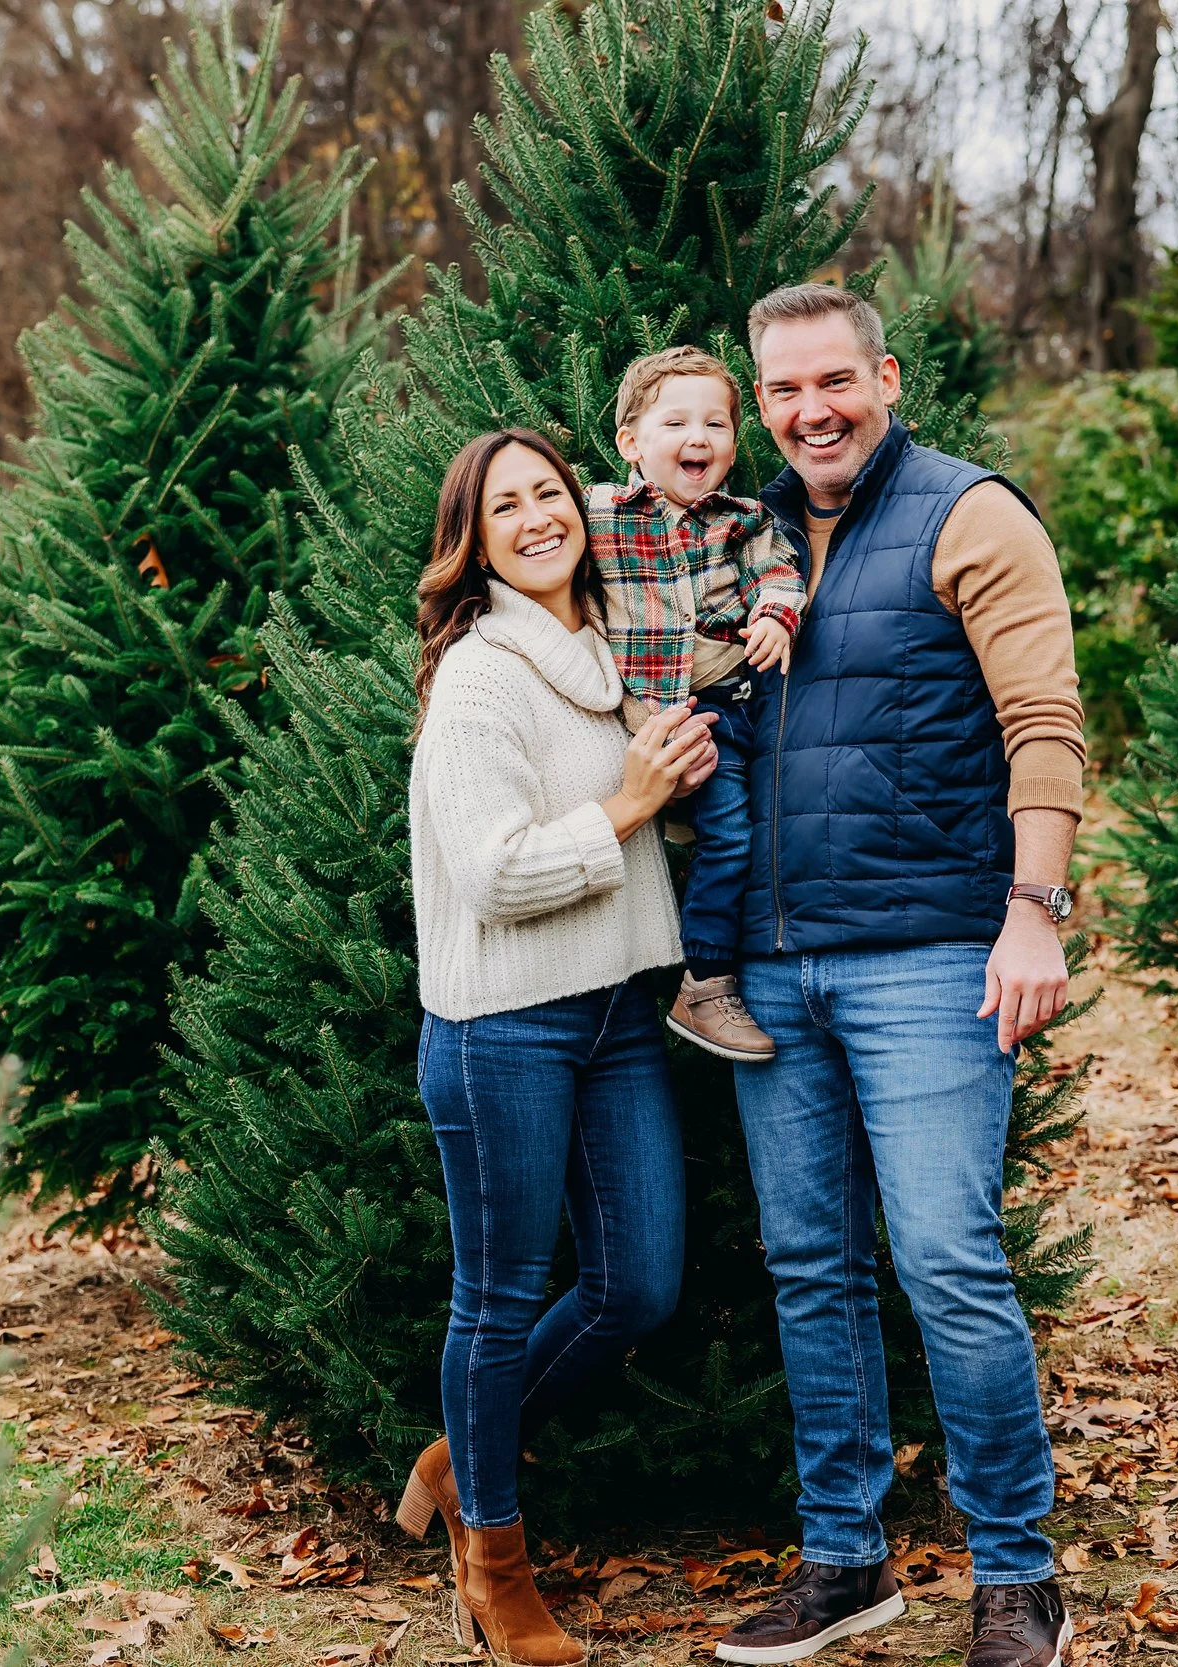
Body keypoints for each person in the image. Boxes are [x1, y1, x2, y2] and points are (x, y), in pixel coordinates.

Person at [710, 286, 1088, 1667]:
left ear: (886, 375)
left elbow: (1044, 725)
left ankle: (1017, 1576)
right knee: (811, 1264)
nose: (813, 409)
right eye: (785, 389)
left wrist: (1033, 910)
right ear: (759, 401)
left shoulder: (967, 514)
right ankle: (845, 1559)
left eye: (835, 380)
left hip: (930, 958)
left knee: (943, 1255)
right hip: (772, 969)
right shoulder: (740, 542)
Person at [394, 428, 719, 1667]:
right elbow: (490, 873)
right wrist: (630, 802)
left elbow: (641, 818)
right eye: (503, 508)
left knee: (638, 1282)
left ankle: (457, 1450)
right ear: (471, 543)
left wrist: (672, 798)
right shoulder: (481, 677)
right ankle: (491, 1561)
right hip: (503, 1031)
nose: (536, 519)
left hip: (617, 1011)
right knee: (497, 1299)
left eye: (549, 494)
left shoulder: (614, 652)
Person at [588, 345, 805, 1063]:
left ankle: (703, 982)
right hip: (650, 715)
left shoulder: (741, 520)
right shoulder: (600, 515)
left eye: (716, 424)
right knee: (719, 837)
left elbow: (779, 571)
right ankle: (706, 978)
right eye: (676, 421)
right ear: (630, 442)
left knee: (736, 837)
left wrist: (776, 614)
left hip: (726, 708)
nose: (699, 438)